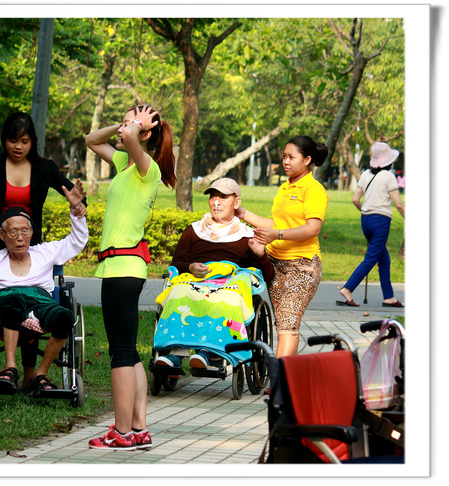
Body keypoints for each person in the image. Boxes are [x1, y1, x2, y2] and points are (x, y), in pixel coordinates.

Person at [0, 112, 87, 387]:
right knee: (1, 302)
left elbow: (77, 199)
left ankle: (30, 374)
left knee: (33, 299)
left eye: (24, 141)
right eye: (13, 140)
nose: (18, 146)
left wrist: (77, 207)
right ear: (5, 140)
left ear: (32, 141)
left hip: (30, 245)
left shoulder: (45, 168)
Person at [84, 104, 176, 451]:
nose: (123, 130)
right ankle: (138, 429)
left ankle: (121, 432)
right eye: (123, 123)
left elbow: (130, 140)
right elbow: (92, 140)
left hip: (124, 268)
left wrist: (134, 127)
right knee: (130, 352)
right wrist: (123, 125)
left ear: (145, 134)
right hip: (118, 268)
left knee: (120, 352)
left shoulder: (146, 168)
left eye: (131, 125)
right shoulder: (124, 163)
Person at [156, 177, 275, 371]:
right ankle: (175, 354)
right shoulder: (194, 231)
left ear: (236, 202)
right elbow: (177, 263)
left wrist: (260, 254)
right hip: (195, 280)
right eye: (213, 196)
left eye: (223, 197)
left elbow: (268, 275)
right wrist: (191, 267)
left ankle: (208, 352)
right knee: (178, 292)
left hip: (228, 284)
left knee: (227, 298)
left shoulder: (247, 236)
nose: (216, 202)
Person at [235, 135, 329, 360]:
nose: (285, 161)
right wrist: (243, 214)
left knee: (288, 324)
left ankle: (278, 377)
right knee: (283, 324)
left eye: (291, 157)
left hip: (302, 266)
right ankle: (285, 375)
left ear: (307, 160)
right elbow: (277, 224)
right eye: (284, 156)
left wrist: (277, 235)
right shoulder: (285, 187)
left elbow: (313, 228)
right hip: (275, 264)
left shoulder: (313, 189)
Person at [337, 142, 405, 308]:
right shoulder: (389, 176)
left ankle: (389, 297)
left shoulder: (365, 174)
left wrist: (366, 210)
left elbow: (355, 200)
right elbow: (398, 204)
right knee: (371, 258)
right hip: (381, 221)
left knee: (384, 260)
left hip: (365, 220)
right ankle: (348, 288)